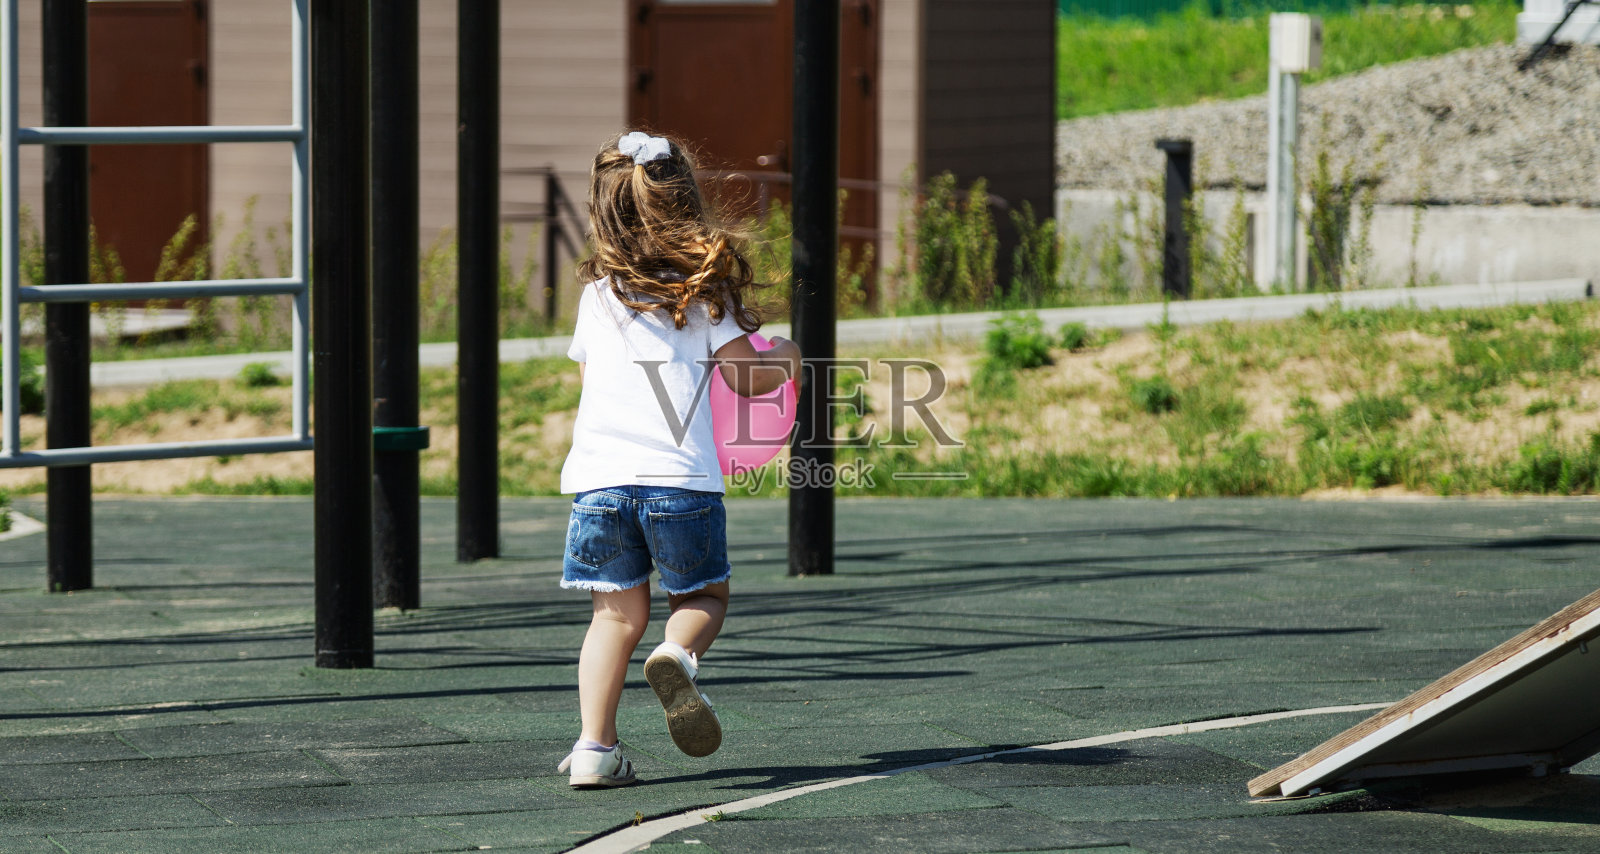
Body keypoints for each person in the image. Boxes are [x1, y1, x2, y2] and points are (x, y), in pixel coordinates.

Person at [555, 130, 801, 788]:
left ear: (607, 213)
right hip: (681, 485)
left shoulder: (596, 297)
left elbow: (595, 386)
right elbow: (749, 380)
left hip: (600, 486)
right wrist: (787, 359)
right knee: (703, 596)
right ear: (688, 207)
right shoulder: (703, 294)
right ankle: (678, 654)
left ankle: (594, 749)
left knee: (613, 616)